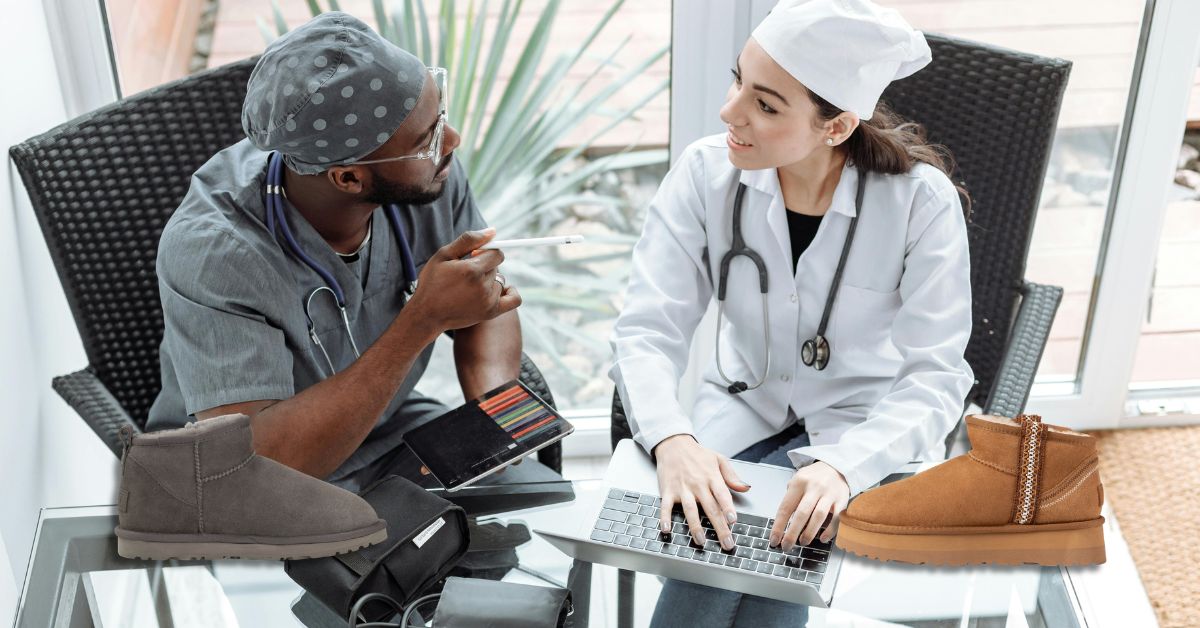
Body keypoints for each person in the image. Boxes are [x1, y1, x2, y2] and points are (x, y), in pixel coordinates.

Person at [609, 0, 975, 625]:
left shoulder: (920, 203)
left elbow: (938, 377)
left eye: (766, 105)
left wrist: (845, 464)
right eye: (738, 81)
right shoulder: (704, 174)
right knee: (724, 541)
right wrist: (674, 439)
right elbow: (647, 328)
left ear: (835, 127)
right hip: (741, 408)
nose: (729, 112)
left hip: (865, 429)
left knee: (735, 558)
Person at [146, 12, 522, 492]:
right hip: (252, 479)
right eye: (428, 138)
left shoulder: (426, 173)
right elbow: (260, 463)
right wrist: (421, 323)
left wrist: (497, 410)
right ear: (348, 178)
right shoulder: (215, 253)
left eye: (439, 116)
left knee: (514, 523)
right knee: (416, 560)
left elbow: (483, 296)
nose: (450, 141)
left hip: (392, 430)